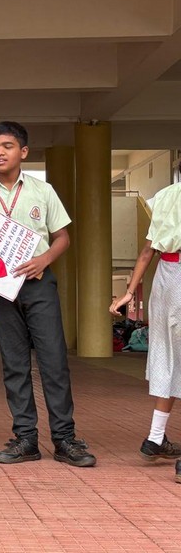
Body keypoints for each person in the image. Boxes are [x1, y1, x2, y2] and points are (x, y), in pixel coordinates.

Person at [0, 120, 96, 467]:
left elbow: (62, 236)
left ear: (23, 152)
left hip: (38, 283)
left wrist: (44, 259)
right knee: (15, 364)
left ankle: (65, 439)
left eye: (6, 146)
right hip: (0, 287)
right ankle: (25, 439)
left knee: (54, 361)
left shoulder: (41, 191)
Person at [109, 181, 181, 480]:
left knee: (169, 360)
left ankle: (154, 437)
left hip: (165, 280)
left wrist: (128, 292)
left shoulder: (165, 196)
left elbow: (146, 251)